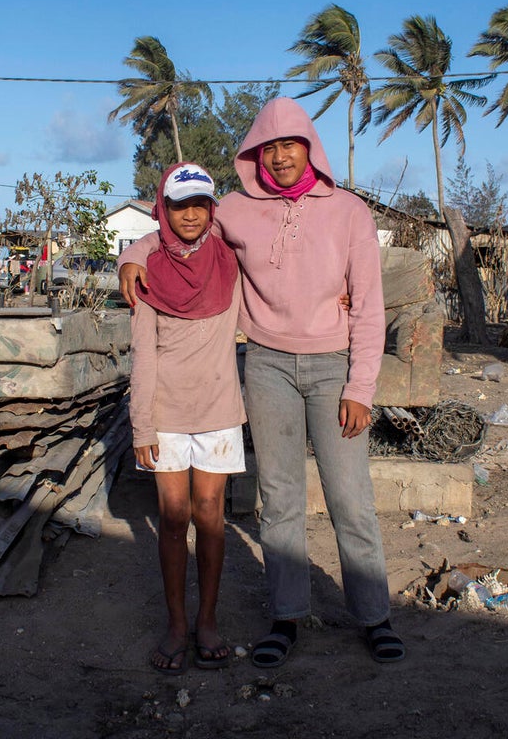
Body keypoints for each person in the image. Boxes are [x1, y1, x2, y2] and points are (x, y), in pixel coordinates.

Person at [119, 97, 405, 666]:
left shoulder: (350, 211)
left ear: (309, 148)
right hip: (268, 365)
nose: (278, 158)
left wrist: (360, 387)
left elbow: (370, 307)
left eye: (288, 145)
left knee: (350, 498)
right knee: (279, 499)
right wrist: (131, 253)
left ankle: (374, 617)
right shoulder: (237, 208)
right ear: (255, 154)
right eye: (267, 148)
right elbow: (179, 231)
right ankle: (286, 618)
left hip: (333, 368)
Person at [129, 162, 245, 675]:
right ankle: (177, 624)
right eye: (180, 205)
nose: (191, 214)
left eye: (201, 203)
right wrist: (141, 425)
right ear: (163, 208)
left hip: (219, 409)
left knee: (211, 517)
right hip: (167, 413)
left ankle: (208, 620)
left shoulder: (230, 262)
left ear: (212, 207)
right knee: (174, 519)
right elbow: (142, 354)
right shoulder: (147, 270)